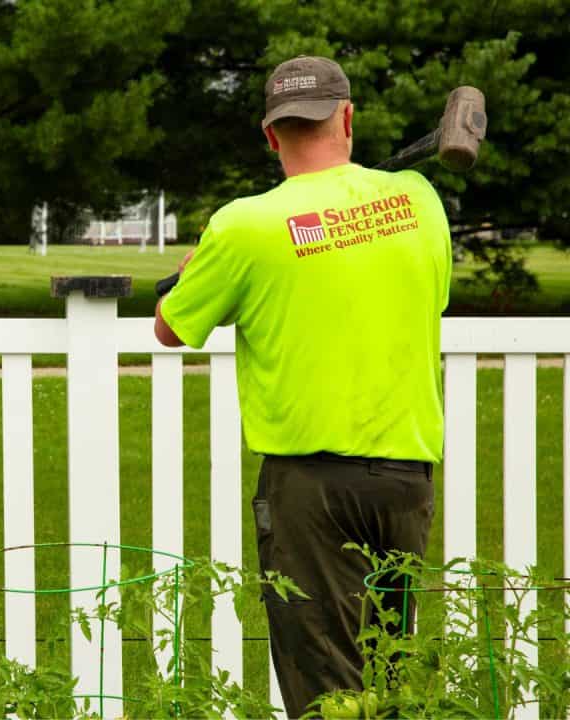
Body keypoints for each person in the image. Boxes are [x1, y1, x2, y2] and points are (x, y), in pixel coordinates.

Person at [153, 56, 451, 717]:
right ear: (346, 118)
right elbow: (432, 293)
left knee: (328, 691)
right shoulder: (419, 203)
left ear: (271, 135)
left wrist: (193, 267)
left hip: (308, 493)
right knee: (387, 677)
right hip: (404, 480)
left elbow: (170, 327)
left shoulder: (244, 226)